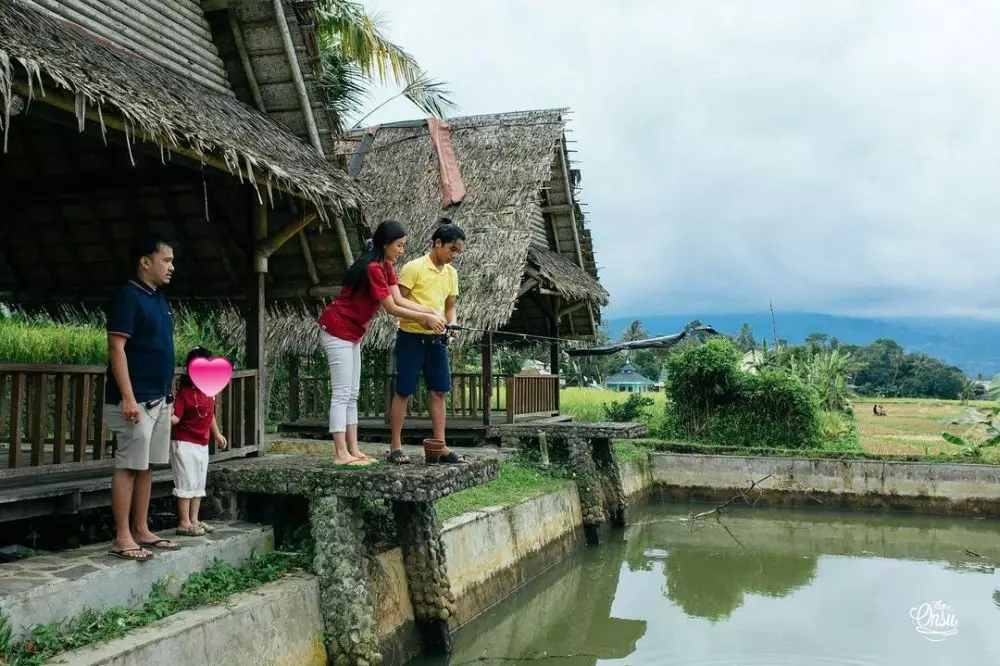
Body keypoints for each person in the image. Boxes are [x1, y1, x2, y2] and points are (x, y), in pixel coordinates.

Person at [316, 220, 447, 467]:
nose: (401, 250)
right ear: (385, 244)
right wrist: (424, 318)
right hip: (336, 329)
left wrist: (430, 310)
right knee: (342, 393)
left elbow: (399, 298)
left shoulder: (386, 266)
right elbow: (391, 308)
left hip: (353, 333)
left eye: (403, 245)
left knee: (352, 394)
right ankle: (340, 452)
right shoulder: (373, 268)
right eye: (398, 245)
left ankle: (353, 449)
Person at [104, 233, 178, 561]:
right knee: (128, 464)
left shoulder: (159, 298)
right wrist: (128, 397)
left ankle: (141, 529)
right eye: (166, 260)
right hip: (135, 399)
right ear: (145, 262)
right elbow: (116, 347)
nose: (171, 267)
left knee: (146, 466)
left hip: (159, 397)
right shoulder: (128, 296)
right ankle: (122, 536)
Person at [389, 218, 465, 465]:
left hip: (437, 340)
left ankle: (439, 447)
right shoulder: (413, 267)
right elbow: (398, 304)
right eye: (451, 249)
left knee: (439, 390)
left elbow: (450, 307)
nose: (454, 255)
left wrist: (451, 324)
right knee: (404, 390)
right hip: (410, 337)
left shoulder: (452, 274)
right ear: (437, 243)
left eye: (458, 251)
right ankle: (395, 447)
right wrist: (423, 317)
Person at [170, 346, 228, 536]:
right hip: (184, 442)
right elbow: (176, 418)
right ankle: (184, 522)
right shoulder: (185, 393)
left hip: (202, 443)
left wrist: (217, 435)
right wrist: (161, 414)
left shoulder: (210, 392)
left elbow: (210, 415)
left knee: (198, 483)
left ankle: (194, 519)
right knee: (186, 482)